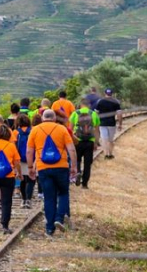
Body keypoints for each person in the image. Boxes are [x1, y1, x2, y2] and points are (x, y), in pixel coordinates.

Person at [27, 109, 78, 237]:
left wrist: (30, 168)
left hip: (43, 168)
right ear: (54, 118)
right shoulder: (62, 129)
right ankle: (59, 219)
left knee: (49, 197)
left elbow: (29, 151)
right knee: (63, 192)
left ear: (43, 118)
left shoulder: (35, 130)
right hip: (61, 166)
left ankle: (49, 229)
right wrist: (74, 166)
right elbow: (71, 149)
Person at [69, 99, 101, 187]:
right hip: (89, 142)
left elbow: (69, 130)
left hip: (77, 141)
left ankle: (78, 172)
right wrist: (96, 143)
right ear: (89, 105)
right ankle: (85, 183)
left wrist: (71, 142)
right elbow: (97, 131)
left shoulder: (75, 113)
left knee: (77, 160)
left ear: (80, 104)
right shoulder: (94, 114)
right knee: (87, 163)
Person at [14, 113, 36, 207]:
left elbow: (13, 147)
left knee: (22, 179)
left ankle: (23, 199)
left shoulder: (15, 132)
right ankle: (28, 199)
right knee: (31, 179)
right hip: (32, 158)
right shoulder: (33, 131)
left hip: (20, 159)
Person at [94, 88, 123, 158]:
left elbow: (96, 113)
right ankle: (110, 154)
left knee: (104, 140)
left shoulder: (100, 101)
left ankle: (106, 154)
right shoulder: (116, 102)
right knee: (110, 140)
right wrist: (120, 124)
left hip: (102, 124)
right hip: (111, 123)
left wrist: (96, 123)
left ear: (105, 93)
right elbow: (119, 114)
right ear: (112, 94)